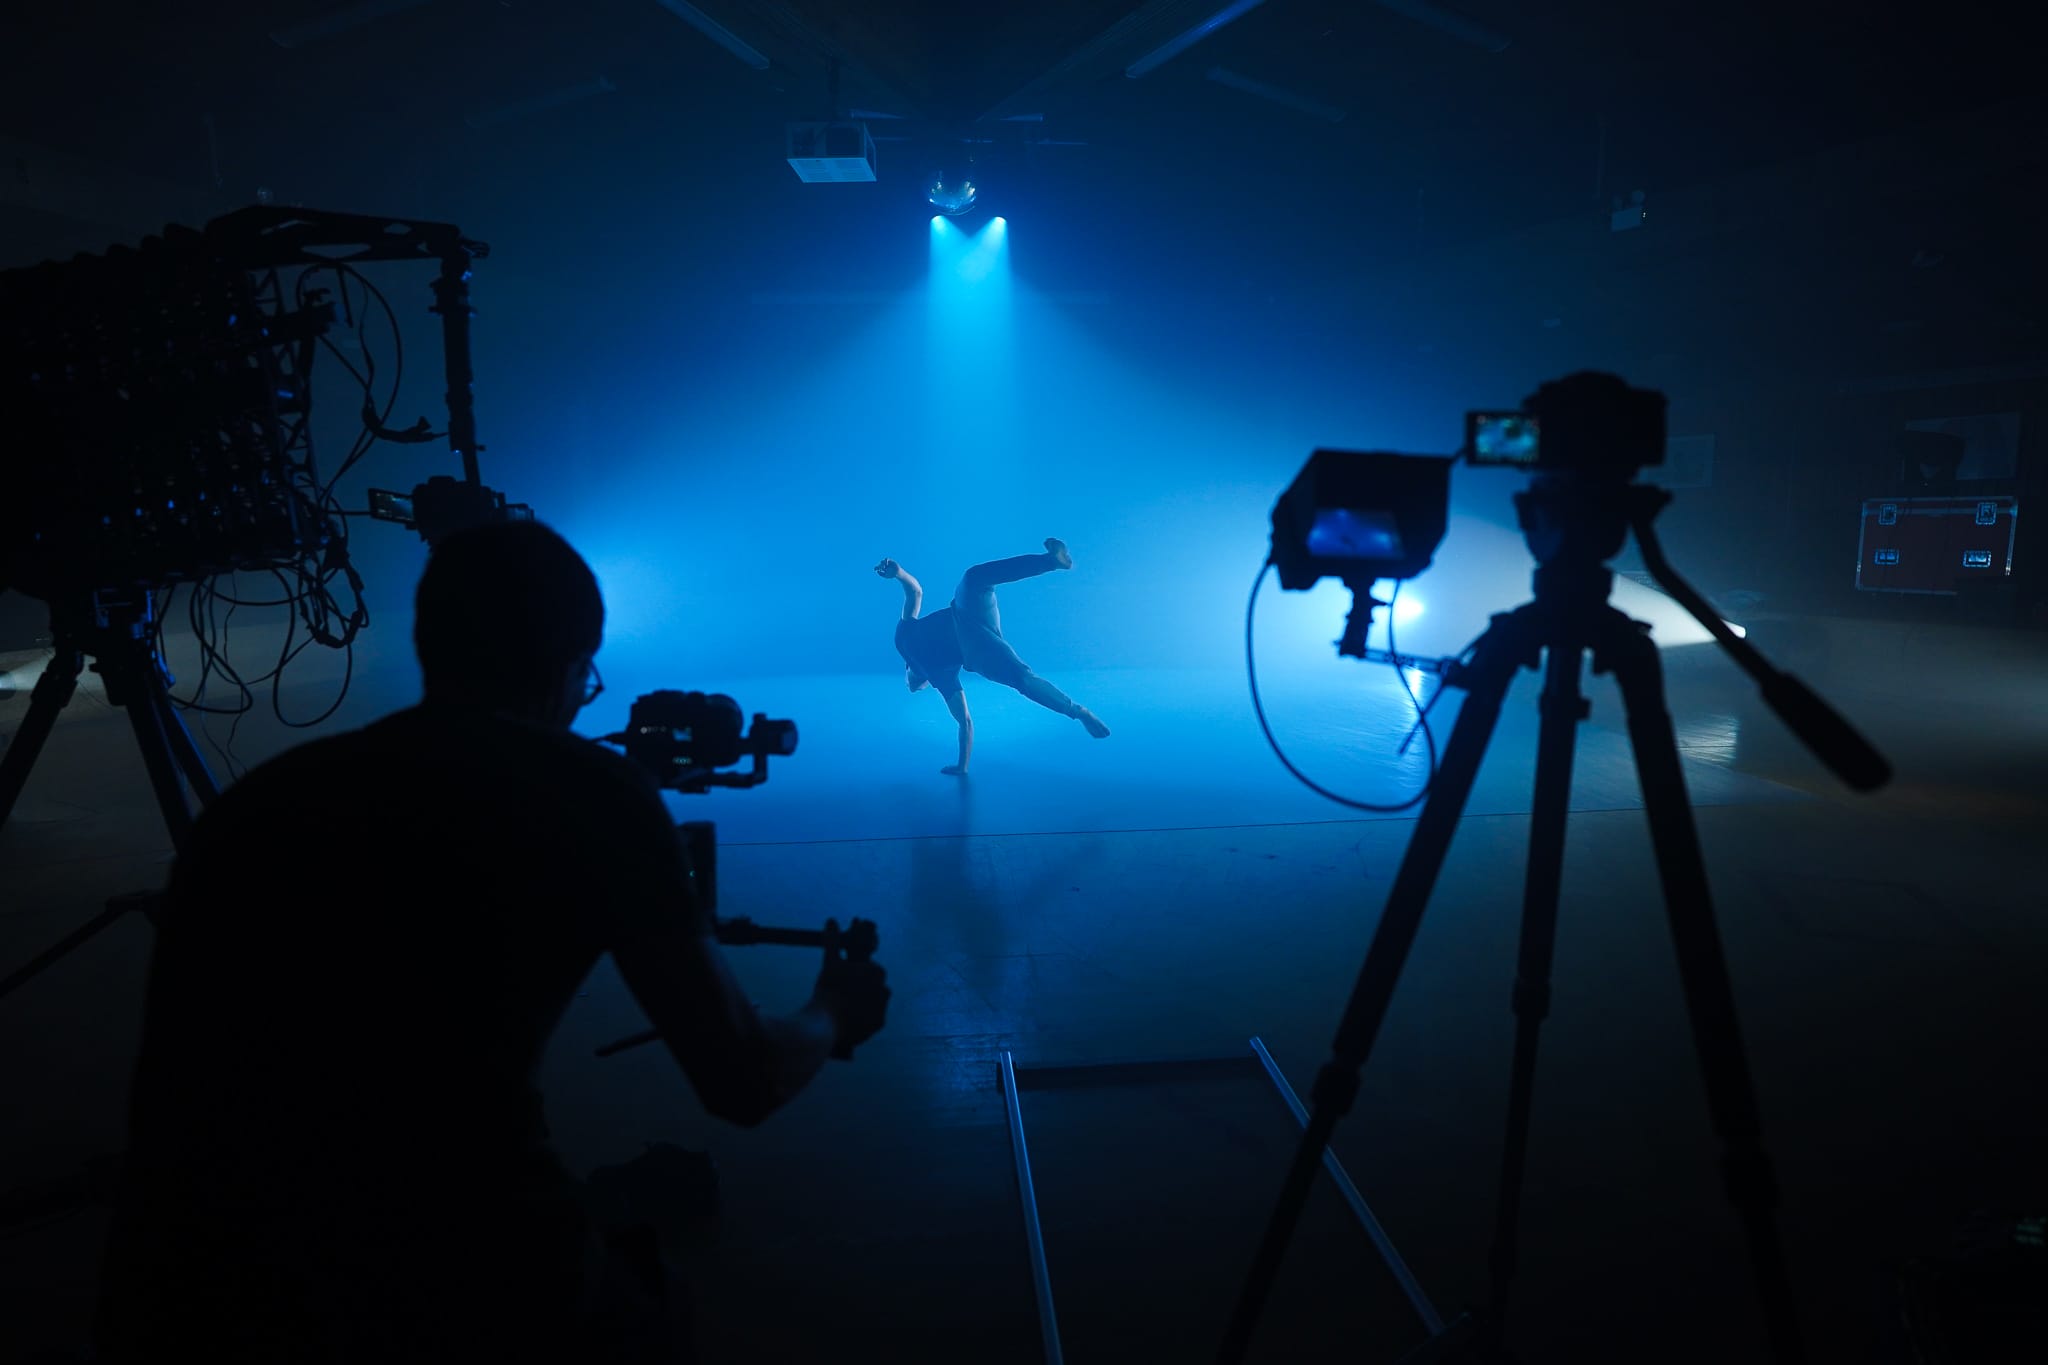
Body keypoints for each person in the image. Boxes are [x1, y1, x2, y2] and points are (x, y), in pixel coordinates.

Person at [96, 521, 889, 1364]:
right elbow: (744, 1078)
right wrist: (834, 1010)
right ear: (568, 663)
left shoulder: (258, 802)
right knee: (655, 1318)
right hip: (437, 1279)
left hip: (180, 1291)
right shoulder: (597, 798)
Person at [876, 538, 1109, 776]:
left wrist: (899, 573)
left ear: (907, 672)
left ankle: (1052, 561)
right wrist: (962, 766)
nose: (916, 687)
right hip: (977, 649)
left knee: (973, 578)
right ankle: (1079, 712)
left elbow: (914, 592)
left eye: (913, 686)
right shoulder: (940, 677)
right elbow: (965, 722)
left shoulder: (903, 640)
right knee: (1022, 678)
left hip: (966, 615)